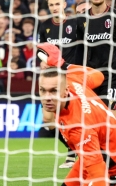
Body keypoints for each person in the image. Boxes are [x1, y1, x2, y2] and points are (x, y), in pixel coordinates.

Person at [37, 42, 116, 186]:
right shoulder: (71, 81)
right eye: (42, 90)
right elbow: (98, 77)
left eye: (53, 91)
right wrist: (64, 65)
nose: (47, 97)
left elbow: (97, 170)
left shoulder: (79, 127)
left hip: (109, 159)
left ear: (63, 92)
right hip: (98, 146)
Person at [37, 0, 80, 168]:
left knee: (74, 117)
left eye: (57, 4)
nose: (54, 7)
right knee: (48, 120)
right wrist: (43, 61)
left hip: (72, 77)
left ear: (64, 4)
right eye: (51, 5)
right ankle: (71, 148)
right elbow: (42, 51)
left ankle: (76, 153)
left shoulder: (75, 23)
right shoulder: (45, 26)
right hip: (53, 78)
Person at [77, 0, 116, 116]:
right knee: (91, 117)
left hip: (112, 78)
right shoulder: (81, 20)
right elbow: (79, 52)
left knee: (110, 118)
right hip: (90, 79)